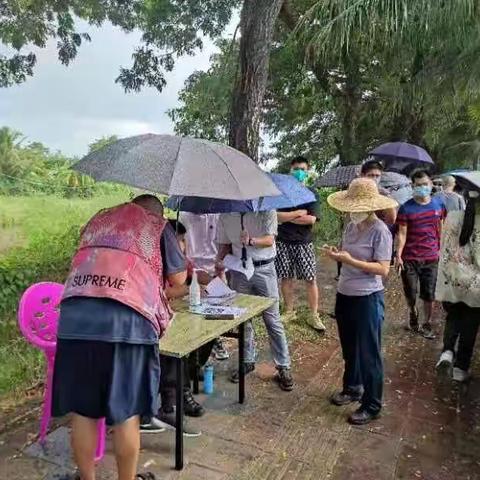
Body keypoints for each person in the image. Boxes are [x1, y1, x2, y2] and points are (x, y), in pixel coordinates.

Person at [52, 195, 186, 480]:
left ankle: (87, 477)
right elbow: (179, 280)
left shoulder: (98, 221)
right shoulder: (158, 227)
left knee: (83, 411)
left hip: (75, 319)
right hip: (127, 326)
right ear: (156, 213)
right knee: (127, 412)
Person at [323, 178, 396, 425]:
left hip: (368, 298)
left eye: (357, 207)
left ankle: (372, 404)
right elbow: (346, 253)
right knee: (350, 348)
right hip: (345, 294)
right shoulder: (350, 226)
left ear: (370, 207)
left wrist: (351, 261)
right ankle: (352, 387)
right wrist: (336, 254)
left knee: (369, 353)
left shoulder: (380, 231)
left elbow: (383, 269)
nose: (352, 212)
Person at [140, 219, 206, 437]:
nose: (183, 244)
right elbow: (168, 289)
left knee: (197, 338)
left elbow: (189, 276)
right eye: (180, 240)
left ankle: (174, 401)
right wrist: (188, 288)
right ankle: (171, 405)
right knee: (174, 346)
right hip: (146, 321)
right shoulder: (153, 257)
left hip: (159, 316)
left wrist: (206, 278)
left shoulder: (174, 257)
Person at [215, 210, 294, 391]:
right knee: (243, 318)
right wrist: (219, 259)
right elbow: (225, 243)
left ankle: (283, 365)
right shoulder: (226, 214)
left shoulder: (267, 211)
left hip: (264, 269)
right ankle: (247, 360)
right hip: (239, 270)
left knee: (272, 319)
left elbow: (269, 240)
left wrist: (251, 241)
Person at [275, 156, 325, 331]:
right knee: (286, 277)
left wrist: (287, 218)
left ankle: (314, 314)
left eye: (303, 169)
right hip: (283, 241)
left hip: (304, 243)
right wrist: (297, 213)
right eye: (296, 168)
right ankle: (289, 311)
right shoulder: (281, 192)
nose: (299, 172)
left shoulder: (311, 193)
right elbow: (275, 216)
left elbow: (311, 219)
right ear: (290, 170)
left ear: (308, 171)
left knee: (310, 279)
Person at [435, 189, 480, 382]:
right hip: (476, 285)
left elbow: (444, 246)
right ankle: (460, 369)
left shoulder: (452, 217)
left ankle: (447, 352)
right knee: (471, 324)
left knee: (453, 316)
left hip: (452, 280)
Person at [396, 169, 446, 339]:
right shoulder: (405, 208)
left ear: (431, 184)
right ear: (412, 186)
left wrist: (442, 249)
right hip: (409, 258)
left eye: (425, 184)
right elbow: (402, 233)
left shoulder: (439, 205)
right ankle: (412, 311)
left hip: (431, 257)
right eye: (418, 185)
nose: (422, 187)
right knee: (410, 291)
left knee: (429, 293)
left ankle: (427, 323)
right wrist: (398, 255)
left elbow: (442, 228)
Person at [179, 212, 229, 360]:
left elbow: (225, 243)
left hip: (213, 267)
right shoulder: (184, 217)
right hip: (191, 271)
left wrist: (219, 273)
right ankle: (193, 351)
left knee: (216, 311)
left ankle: (213, 341)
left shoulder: (219, 216)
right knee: (193, 312)